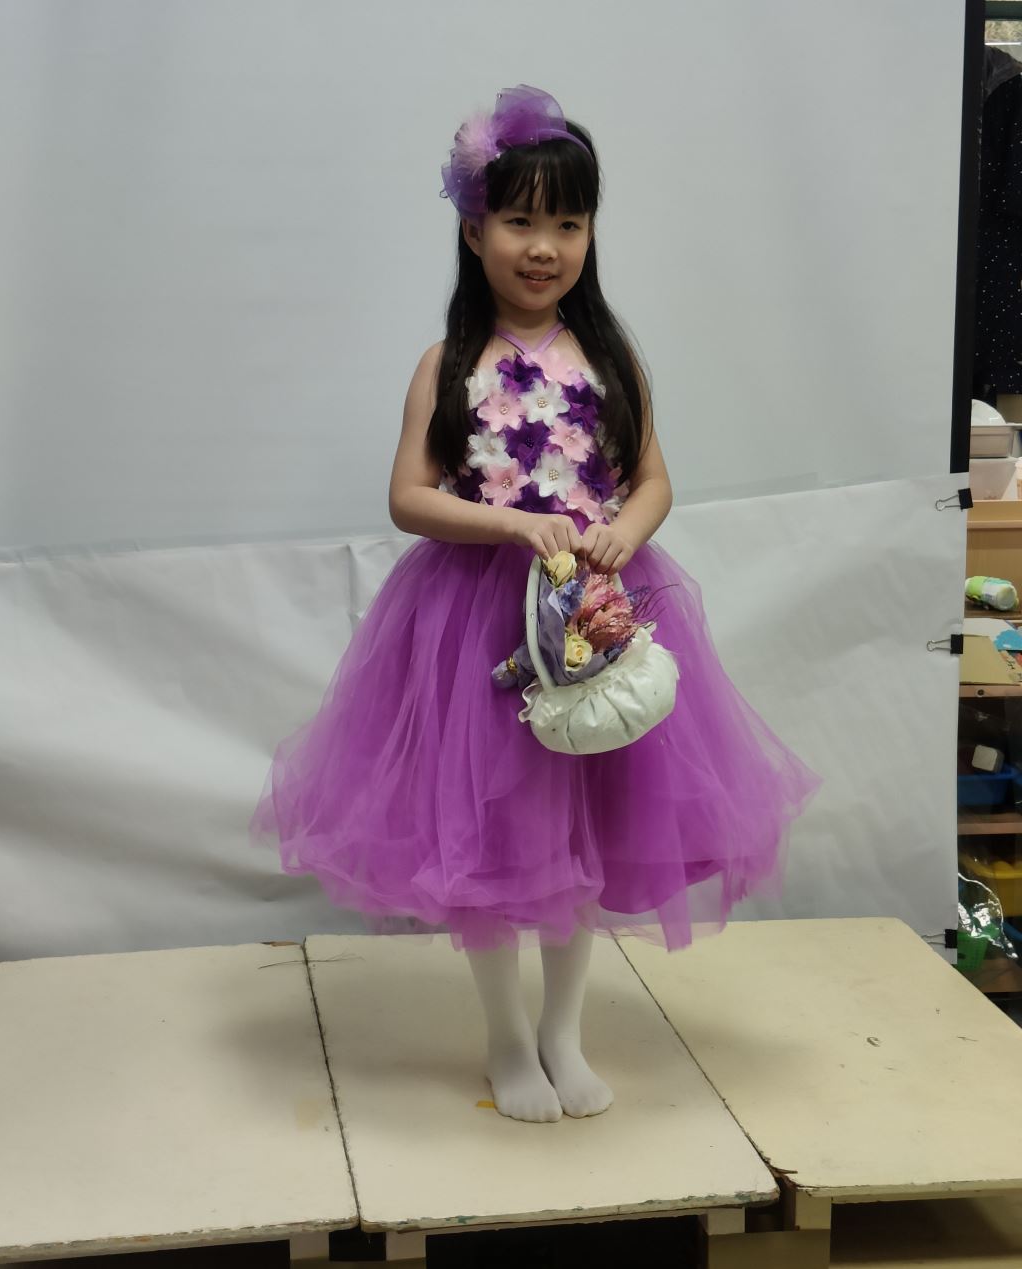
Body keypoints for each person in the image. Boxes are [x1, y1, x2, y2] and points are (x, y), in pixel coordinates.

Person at [250, 84, 823, 1124]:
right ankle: (508, 1039)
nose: (544, 246)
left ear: (591, 233)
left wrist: (625, 532)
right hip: (476, 624)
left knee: (586, 830)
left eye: (568, 222)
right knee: (496, 834)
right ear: (475, 232)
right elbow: (409, 497)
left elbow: (652, 480)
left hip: (598, 614)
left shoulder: (610, 361)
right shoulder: (449, 366)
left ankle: (564, 1032)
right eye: (520, 221)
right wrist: (513, 524)